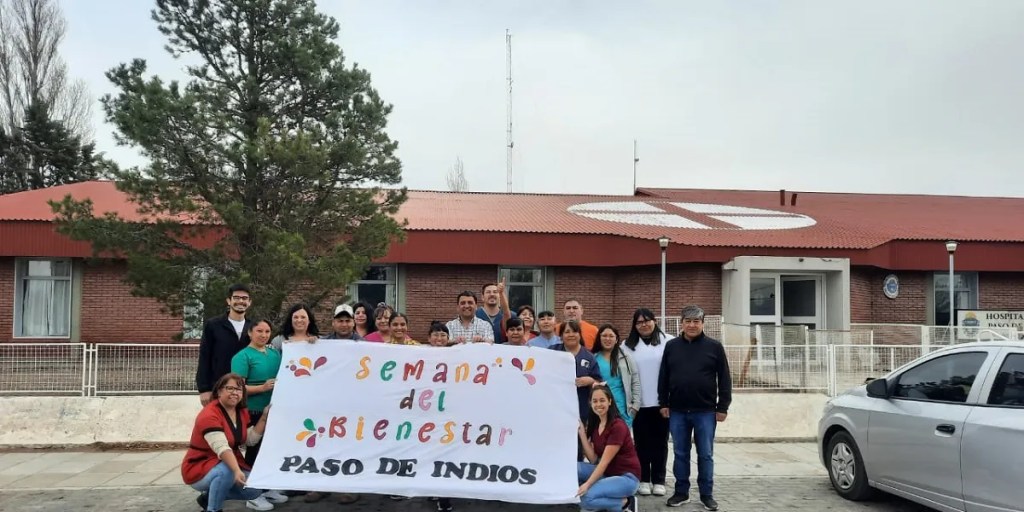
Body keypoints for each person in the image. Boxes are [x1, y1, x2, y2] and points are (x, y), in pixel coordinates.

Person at [659, 305, 732, 511]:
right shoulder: (672, 346)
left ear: (702, 323)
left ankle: (706, 494)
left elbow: (725, 378)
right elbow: (664, 376)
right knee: (680, 453)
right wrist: (663, 403)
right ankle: (681, 492)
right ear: (681, 323)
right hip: (678, 411)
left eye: (696, 321)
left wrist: (723, 406)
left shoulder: (714, 347)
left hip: (706, 411)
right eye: (688, 321)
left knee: (705, 454)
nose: (692, 325)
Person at [182, 373, 286, 512]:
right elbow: (222, 448)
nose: (234, 393)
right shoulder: (209, 414)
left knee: (254, 490)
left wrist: (264, 417)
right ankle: (213, 509)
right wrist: (237, 471)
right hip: (200, 467)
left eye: (238, 389)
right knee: (226, 472)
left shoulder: (241, 411)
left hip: (228, 463)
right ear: (219, 391)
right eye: (230, 388)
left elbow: (250, 440)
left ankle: (209, 497)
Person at [620, 308, 672, 497]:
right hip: (638, 403)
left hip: (662, 403)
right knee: (641, 443)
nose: (644, 325)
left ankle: (659, 479)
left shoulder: (669, 341)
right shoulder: (627, 345)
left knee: (660, 442)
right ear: (634, 325)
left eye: (647, 321)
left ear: (654, 321)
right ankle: (643, 479)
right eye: (639, 322)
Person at [577, 385, 640, 512]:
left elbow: (604, 462)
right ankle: (604, 499)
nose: (598, 404)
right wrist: (582, 434)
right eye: (594, 401)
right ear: (590, 403)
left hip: (626, 478)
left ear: (610, 401)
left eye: (602, 400)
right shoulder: (597, 425)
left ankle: (625, 503)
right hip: (608, 474)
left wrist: (587, 485)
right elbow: (594, 460)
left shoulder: (618, 426)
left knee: (585, 498)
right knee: (573, 468)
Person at [229, 320, 280, 471]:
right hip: (254, 411)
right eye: (259, 331)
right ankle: (252, 487)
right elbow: (236, 388)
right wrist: (262, 388)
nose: (264, 335)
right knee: (256, 450)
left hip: (275, 409)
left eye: (267, 331)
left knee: (273, 450)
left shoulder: (274, 353)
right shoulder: (242, 357)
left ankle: (270, 486)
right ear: (250, 333)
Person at [196, 284, 253, 406]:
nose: (241, 301)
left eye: (244, 298)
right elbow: (205, 357)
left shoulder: (254, 327)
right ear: (229, 300)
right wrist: (204, 389)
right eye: (236, 297)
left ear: (249, 302)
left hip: (246, 390)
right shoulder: (213, 325)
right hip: (219, 388)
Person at [426, 321, 456, 512]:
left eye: (443, 335)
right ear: (429, 338)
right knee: (430, 451)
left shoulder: (457, 355)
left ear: (448, 338)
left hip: (451, 413)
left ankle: (444, 494)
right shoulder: (417, 353)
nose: (439, 338)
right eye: (435, 335)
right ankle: (432, 486)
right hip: (426, 412)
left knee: (447, 451)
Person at [550, 320, 603, 423]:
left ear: (580, 335)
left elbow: (600, 383)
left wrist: (590, 381)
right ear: (561, 336)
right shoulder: (552, 352)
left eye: (574, 331)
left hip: (581, 409)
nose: (571, 335)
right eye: (567, 332)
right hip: (556, 408)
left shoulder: (589, 357)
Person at [594, 324, 641, 429]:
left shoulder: (626, 358)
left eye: (611, 336)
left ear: (616, 339)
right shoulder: (593, 358)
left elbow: (635, 381)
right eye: (604, 336)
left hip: (623, 409)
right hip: (600, 408)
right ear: (599, 338)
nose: (607, 339)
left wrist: (635, 406)